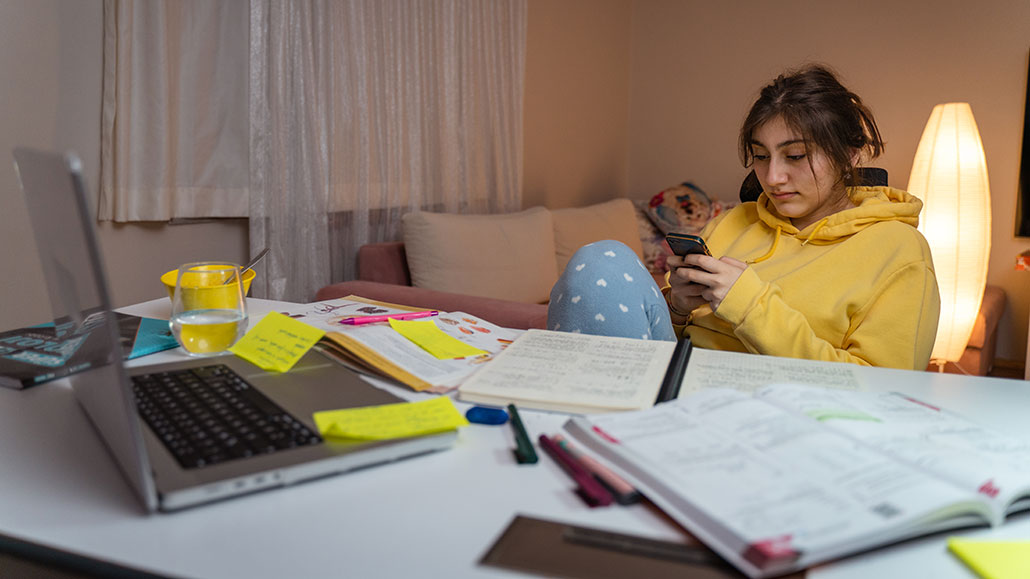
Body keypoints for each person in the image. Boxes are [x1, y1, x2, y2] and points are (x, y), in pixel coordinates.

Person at [547, 64, 940, 370]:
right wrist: (679, 305)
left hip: (779, 404)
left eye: (796, 156)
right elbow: (666, 329)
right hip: (676, 378)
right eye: (762, 156)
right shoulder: (736, 221)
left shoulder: (900, 252)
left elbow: (881, 389)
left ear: (851, 155)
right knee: (602, 262)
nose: (772, 178)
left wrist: (750, 305)